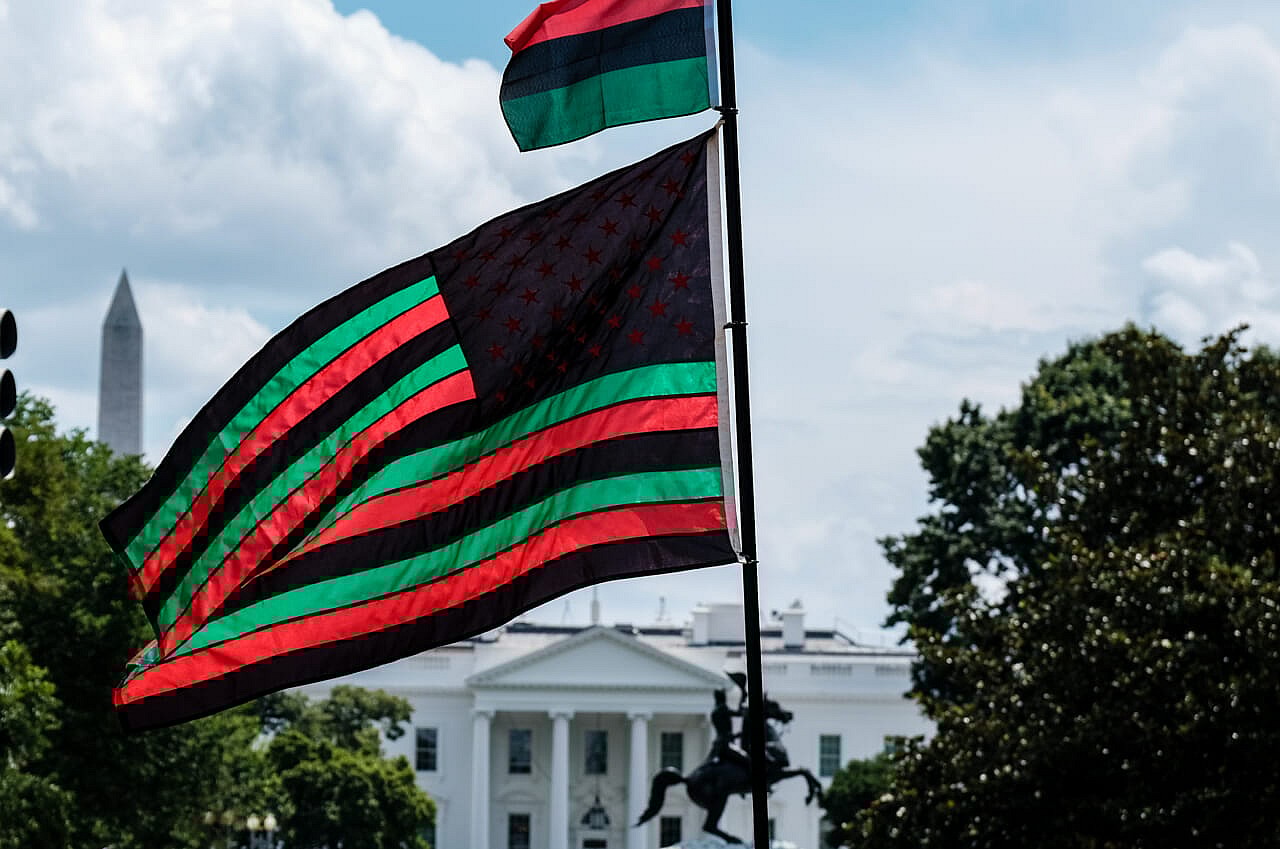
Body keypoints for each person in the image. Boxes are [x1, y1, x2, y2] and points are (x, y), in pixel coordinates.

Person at [708, 688, 750, 771]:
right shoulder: (722, 709)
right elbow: (740, 713)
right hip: (725, 744)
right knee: (749, 761)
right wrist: (743, 697)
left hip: (719, 743)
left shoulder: (715, 710)